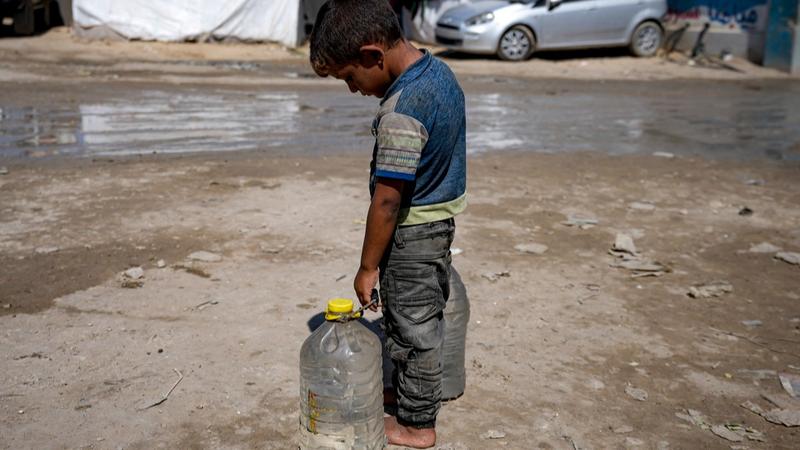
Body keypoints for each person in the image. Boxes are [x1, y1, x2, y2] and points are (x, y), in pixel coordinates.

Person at [309, 0, 467, 447]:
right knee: (410, 316)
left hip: (413, 233)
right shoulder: (439, 74)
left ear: (372, 56)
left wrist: (367, 266)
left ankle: (417, 424)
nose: (353, 89)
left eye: (349, 78)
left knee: (414, 328)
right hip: (436, 223)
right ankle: (404, 392)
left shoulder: (402, 110)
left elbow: (388, 201)